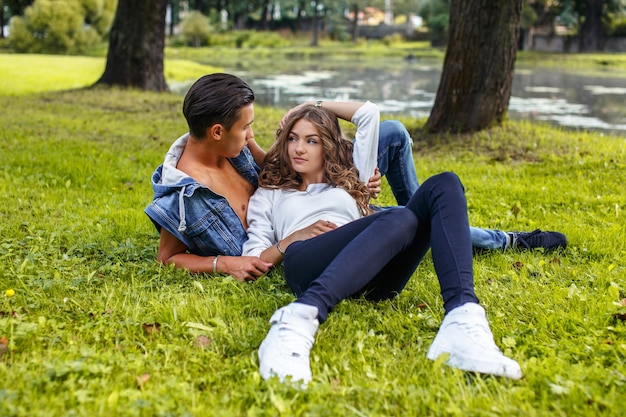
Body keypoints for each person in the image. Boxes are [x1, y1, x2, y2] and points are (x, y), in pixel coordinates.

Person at [145, 73, 566, 282]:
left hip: (321, 192)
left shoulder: (231, 145)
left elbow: (274, 162)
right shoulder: (184, 194)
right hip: (299, 221)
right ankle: (503, 238)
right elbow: (168, 259)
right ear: (217, 132)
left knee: (394, 136)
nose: (251, 134)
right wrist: (225, 263)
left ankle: (408, 209)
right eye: (245, 128)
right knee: (414, 219)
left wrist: (347, 177)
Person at [242, 103, 522, 386]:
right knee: (399, 216)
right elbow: (254, 256)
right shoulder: (272, 192)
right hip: (306, 262)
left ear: (327, 145)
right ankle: (297, 319)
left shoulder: (351, 178)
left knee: (444, 184)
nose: (298, 148)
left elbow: (369, 114)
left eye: (311, 140)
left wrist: (313, 106)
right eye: (293, 138)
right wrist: (291, 238)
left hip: (375, 277)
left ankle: (463, 320)